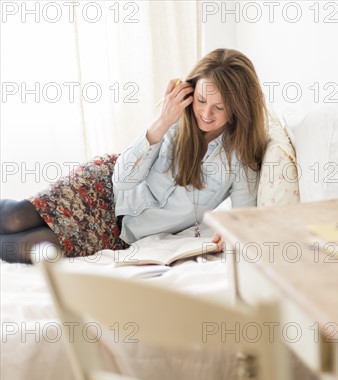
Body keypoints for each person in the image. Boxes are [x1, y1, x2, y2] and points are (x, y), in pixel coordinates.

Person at [0, 48, 267, 264]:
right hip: (104, 187)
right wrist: (162, 121)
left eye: (220, 107)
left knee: (31, 247)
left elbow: (244, 213)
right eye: (200, 100)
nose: (206, 113)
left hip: (124, 233)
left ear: (239, 108)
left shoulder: (240, 159)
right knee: (14, 218)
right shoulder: (175, 121)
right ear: (190, 92)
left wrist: (231, 230)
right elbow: (123, 180)